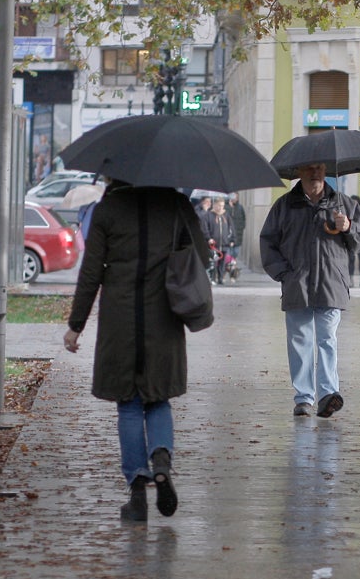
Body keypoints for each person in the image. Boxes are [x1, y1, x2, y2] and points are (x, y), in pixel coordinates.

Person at [63, 180, 210, 521]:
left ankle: (138, 490)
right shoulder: (175, 204)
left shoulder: (109, 209)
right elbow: (200, 257)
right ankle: (161, 458)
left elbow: (91, 271)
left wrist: (76, 324)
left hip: (120, 319)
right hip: (164, 316)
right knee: (158, 397)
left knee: (128, 404)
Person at [260, 163, 360, 418]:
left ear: (325, 171)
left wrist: (348, 227)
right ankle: (304, 398)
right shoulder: (285, 206)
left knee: (327, 340)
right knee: (300, 342)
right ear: (299, 173)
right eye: (309, 169)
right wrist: (284, 275)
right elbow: (267, 242)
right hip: (297, 284)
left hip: (331, 284)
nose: (314, 173)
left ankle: (328, 394)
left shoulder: (344, 204)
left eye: (319, 168)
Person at [204, 198, 235, 285]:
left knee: (222, 263)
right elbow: (205, 228)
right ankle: (213, 278)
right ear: (215, 205)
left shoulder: (226, 215)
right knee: (213, 262)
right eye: (219, 205)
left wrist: (232, 239)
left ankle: (220, 278)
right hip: (214, 244)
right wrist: (208, 238)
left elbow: (231, 228)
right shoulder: (209, 215)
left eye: (222, 205)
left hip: (224, 243)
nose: (220, 207)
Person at [227, 192, 247, 261]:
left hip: (238, 235)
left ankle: (232, 264)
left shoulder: (240, 207)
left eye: (236, 197)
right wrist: (230, 207)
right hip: (228, 236)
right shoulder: (226, 207)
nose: (235, 198)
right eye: (234, 197)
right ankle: (229, 267)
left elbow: (244, 218)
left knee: (236, 252)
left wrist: (242, 227)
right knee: (229, 254)